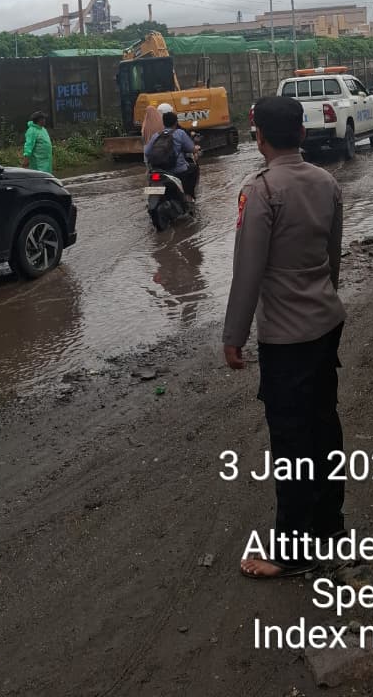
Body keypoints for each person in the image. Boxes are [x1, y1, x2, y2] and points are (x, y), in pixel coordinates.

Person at [223, 95, 346, 579]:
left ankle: (292, 552)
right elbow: (333, 257)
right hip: (326, 324)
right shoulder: (327, 182)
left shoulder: (261, 191)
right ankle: (329, 526)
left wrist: (234, 334)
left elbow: (247, 271)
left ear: (260, 139)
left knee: (291, 443)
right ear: (301, 133)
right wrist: (321, 297)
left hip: (286, 340)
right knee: (324, 425)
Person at [144, 109, 200, 198]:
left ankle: (151, 199)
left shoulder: (156, 135)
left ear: (163, 123)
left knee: (151, 180)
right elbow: (191, 149)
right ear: (176, 122)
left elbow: (147, 152)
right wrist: (196, 149)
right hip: (178, 171)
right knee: (193, 168)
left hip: (158, 171)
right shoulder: (180, 133)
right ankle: (189, 197)